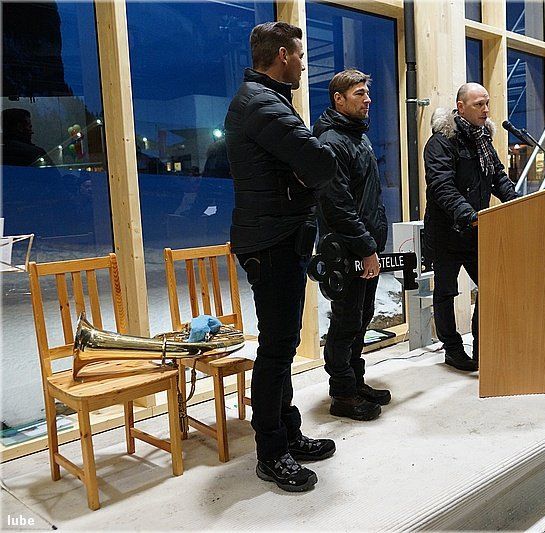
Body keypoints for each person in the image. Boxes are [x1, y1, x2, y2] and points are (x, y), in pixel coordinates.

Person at [225, 21, 336, 493]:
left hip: (274, 236)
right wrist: (302, 176)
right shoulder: (263, 104)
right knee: (275, 349)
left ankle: (287, 433)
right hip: (272, 240)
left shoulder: (263, 99)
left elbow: (304, 164)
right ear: (283, 56)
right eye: (300, 54)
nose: (305, 63)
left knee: (283, 344)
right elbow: (322, 163)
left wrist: (298, 175)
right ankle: (271, 453)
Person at [422, 83, 519, 372]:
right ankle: (452, 349)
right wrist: (468, 214)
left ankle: (482, 346)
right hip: (447, 232)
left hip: (477, 231)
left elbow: (497, 176)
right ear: (461, 107)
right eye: (479, 104)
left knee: (490, 287)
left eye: (487, 103)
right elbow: (442, 186)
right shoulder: (441, 142)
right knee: (446, 293)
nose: (486, 110)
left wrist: (517, 203)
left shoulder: (483, 139)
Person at [313, 69, 390, 421]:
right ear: (338, 99)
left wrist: (372, 244)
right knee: (346, 321)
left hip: (363, 246)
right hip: (345, 251)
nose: (368, 99)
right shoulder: (332, 141)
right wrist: (366, 248)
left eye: (367, 93)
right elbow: (338, 206)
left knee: (361, 317)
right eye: (360, 93)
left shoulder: (358, 136)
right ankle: (342, 394)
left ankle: (355, 381)